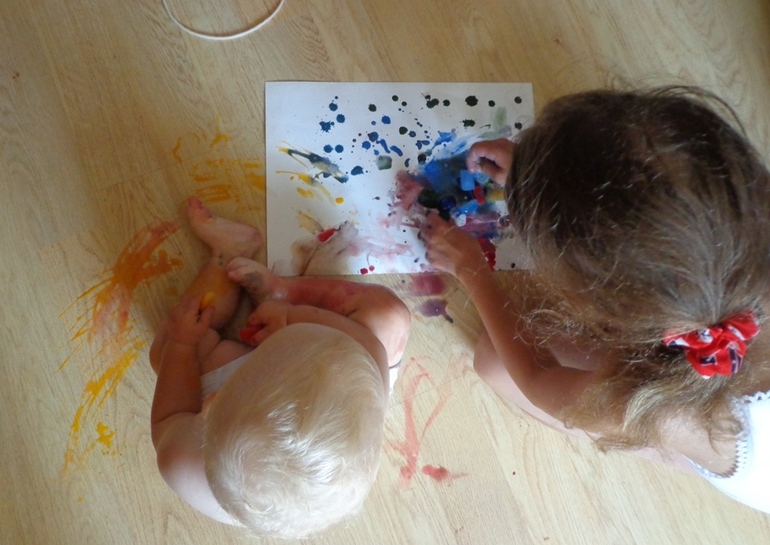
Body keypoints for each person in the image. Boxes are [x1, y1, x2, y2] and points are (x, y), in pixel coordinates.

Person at [419, 87, 770, 513]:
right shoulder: (754, 235)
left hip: (729, 447)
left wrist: (472, 270)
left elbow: (536, 377)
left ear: (601, 309)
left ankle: (672, 453)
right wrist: (541, 183)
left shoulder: (657, 409)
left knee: (495, 360)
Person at [149, 197, 411, 538]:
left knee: (166, 350)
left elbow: (171, 415)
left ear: (212, 405)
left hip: (270, 385)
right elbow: (360, 340)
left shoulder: (186, 465)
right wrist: (291, 314)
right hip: (339, 373)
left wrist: (182, 345)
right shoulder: (365, 368)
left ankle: (227, 254)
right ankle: (283, 292)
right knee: (389, 314)